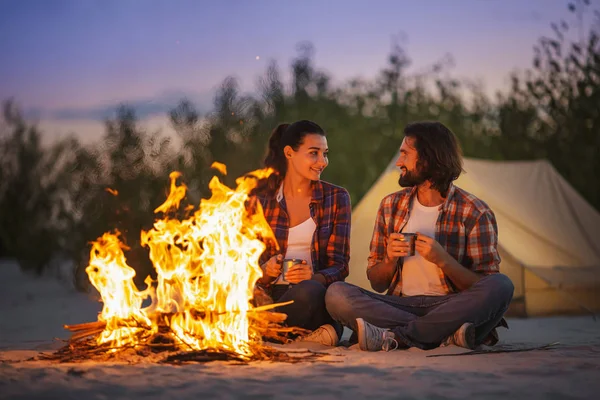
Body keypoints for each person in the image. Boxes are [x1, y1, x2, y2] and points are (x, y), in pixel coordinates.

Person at [325, 121, 514, 352]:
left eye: (405, 154)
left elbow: (484, 285)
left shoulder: (474, 211)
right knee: (336, 294)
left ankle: (398, 337)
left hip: (451, 305)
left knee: (502, 286)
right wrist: (390, 260)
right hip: (399, 303)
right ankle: (445, 335)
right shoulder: (390, 206)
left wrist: (443, 260)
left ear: (428, 158)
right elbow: (377, 282)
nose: (398, 162)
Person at [253, 120, 351, 346]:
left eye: (325, 154)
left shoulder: (336, 198)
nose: (322, 162)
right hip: (270, 297)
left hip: (313, 295)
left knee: (310, 291)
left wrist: (314, 276)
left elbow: (340, 265)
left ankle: (270, 332)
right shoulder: (261, 200)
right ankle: (299, 333)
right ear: (289, 153)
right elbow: (241, 266)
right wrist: (265, 272)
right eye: (314, 153)